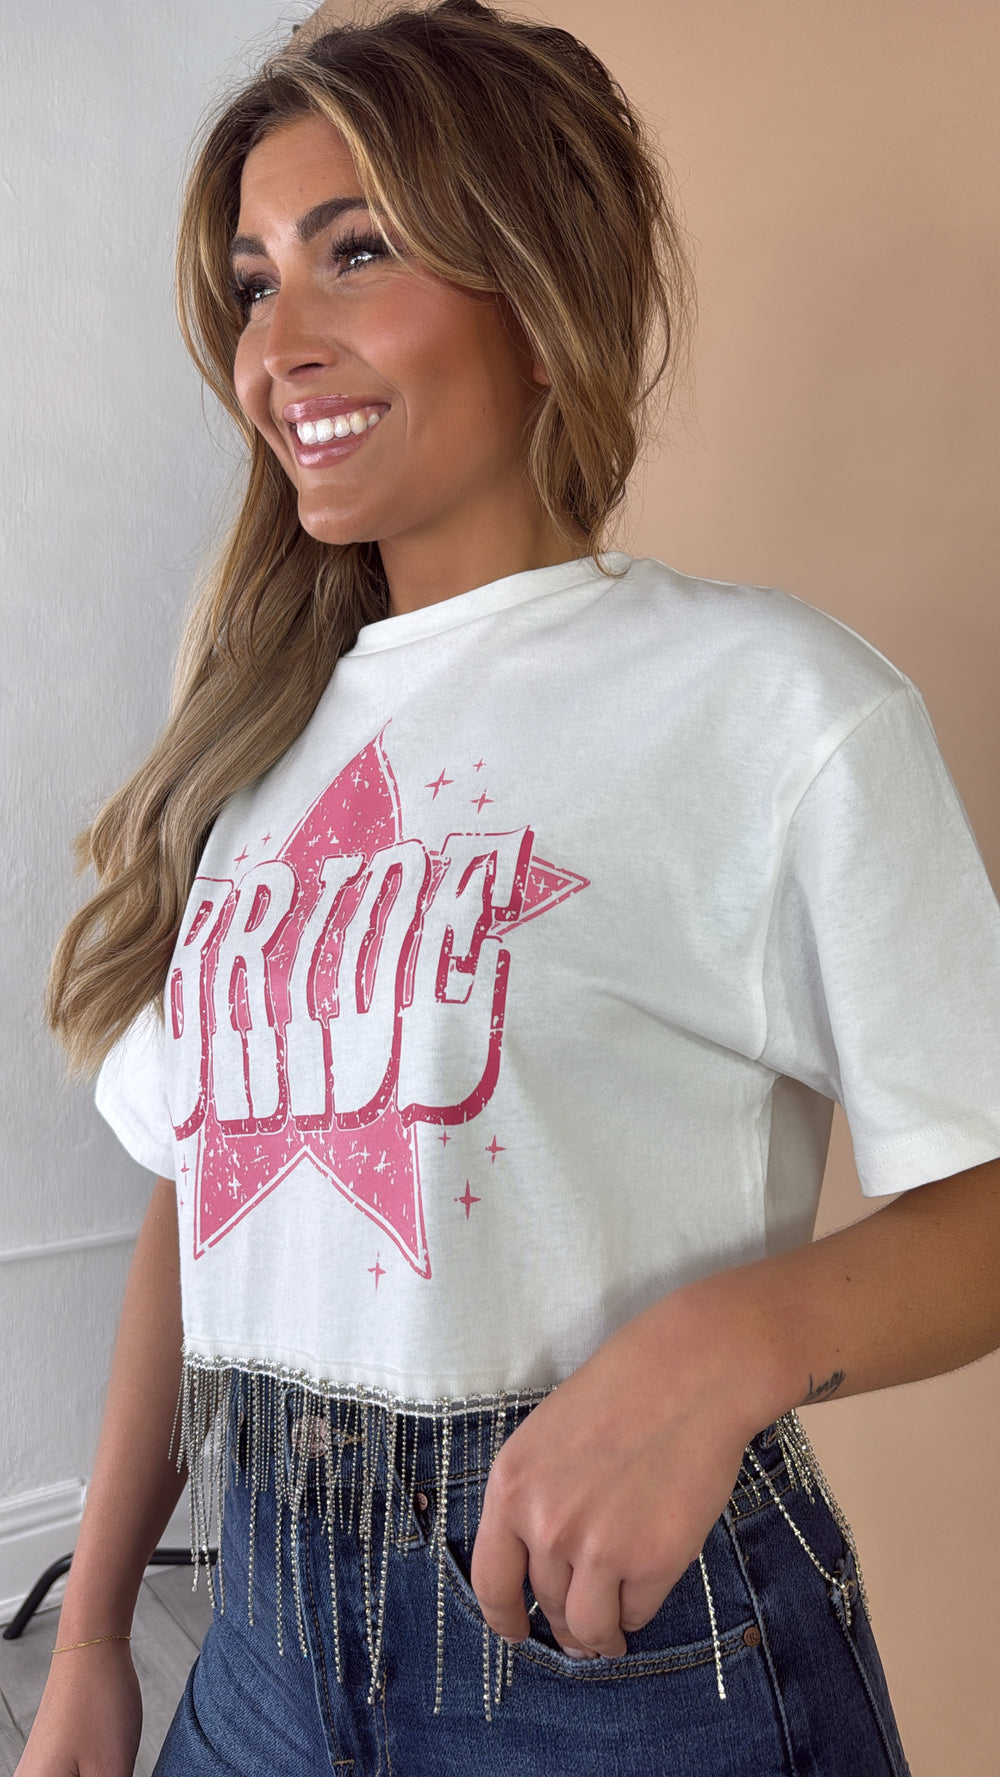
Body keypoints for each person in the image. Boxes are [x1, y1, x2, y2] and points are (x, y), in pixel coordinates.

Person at [20, 0, 1000, 1772]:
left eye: (357, 252)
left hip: (613, 1665)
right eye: (251, 283)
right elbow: (202, 1188)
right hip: (258, 1651)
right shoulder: (255, 744)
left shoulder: (776, 706)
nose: (276, 347)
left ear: (541, 296)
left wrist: (738, 1336)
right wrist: (94, 1632)